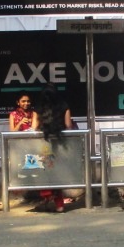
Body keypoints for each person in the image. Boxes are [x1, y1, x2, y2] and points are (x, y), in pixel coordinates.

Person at [34, 83, 74, 213]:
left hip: (43, 145)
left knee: (45, 171)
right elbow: (68, 125)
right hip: (60, 145)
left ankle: (46, 197)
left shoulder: (38, 107)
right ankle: (59, 205)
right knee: (57, 173)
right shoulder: (64, 106)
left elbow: (34, 127)